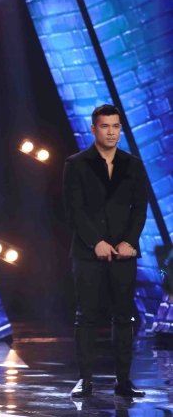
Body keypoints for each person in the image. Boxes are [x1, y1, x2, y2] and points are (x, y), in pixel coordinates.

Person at [63, 104, 148, 398]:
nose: (110, 132)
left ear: (120, 129)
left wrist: (130, 242)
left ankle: (123, 381)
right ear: (93, 129)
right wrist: (95, 241)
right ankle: (84, 380)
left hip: (124, 252)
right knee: (86, 316)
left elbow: (140, 208)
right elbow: (73, 210)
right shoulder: (76, 164)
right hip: (88, 253)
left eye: (115, 126)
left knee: (124, 317)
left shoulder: (133, 164)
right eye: (104, 126)